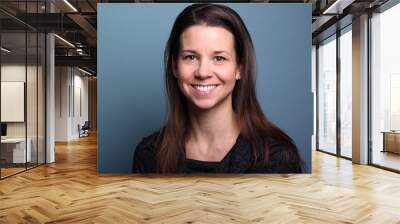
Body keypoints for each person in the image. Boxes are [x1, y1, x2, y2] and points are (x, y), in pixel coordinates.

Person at [132, 3, 304, 174]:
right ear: (174, 67)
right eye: (191, 57)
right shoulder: (149, 154)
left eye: (219, 58)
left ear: (240, 68)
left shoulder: (277, 157)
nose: (203, 72)